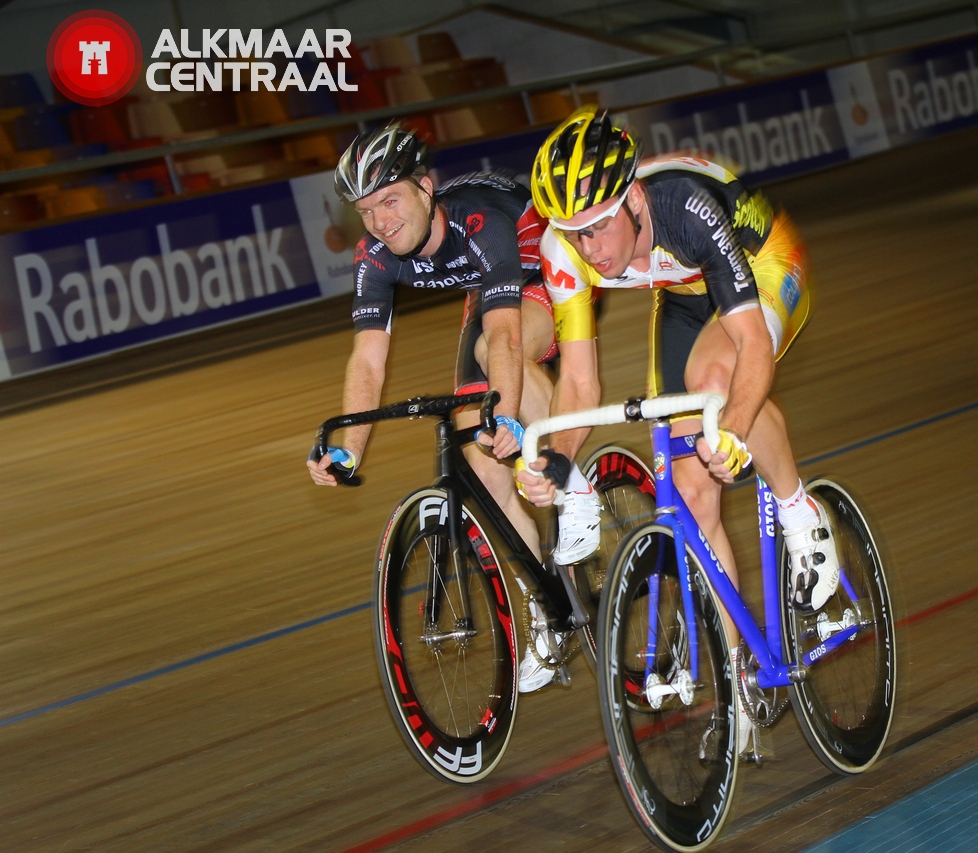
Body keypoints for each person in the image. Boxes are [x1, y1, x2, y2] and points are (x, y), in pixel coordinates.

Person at [514, 107, 835, 749]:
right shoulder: (567, 249)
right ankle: (740, 678)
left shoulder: (685, 207)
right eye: (573, 233)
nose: (590, 248)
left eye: (600, 226)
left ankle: (801, 512)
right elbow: (578, 385)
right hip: (685, 290)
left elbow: (750, 346)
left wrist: (734, 429)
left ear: (634, 198)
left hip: (763, 264)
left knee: (719, 387)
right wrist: (554, 462)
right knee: (691, 494)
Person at [305, 122, 598, 692]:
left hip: (552, 273)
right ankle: (546, 606)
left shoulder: (479, 221)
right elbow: (367, 361)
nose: (380, 222)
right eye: (365, 211)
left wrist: (510, 417)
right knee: (481, 459)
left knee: (495, 361)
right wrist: (347, 454)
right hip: (490, 294)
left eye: (389, 200)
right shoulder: (377, 256)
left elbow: (509, 338)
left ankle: (575, 480)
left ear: (425, 187)